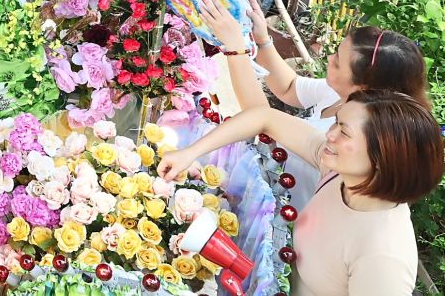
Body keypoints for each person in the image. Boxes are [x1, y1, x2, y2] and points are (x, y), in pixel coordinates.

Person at [158, 89, 442, 296]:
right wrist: (190, 152)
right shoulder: (340, 174)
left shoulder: (384, 256)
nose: (330, 135)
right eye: (336, 123)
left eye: (345, 132)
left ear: (383, 158)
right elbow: (266, 118)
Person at [200, 0, 429, 210]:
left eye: (338, 60)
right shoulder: (340, 95)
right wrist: (262, 40)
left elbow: (263, 124)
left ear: (363, 87)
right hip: (258, 183)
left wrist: (236, 49)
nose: (329, 58)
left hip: (278, 216)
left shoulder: (351, 135)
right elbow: (289, 87)